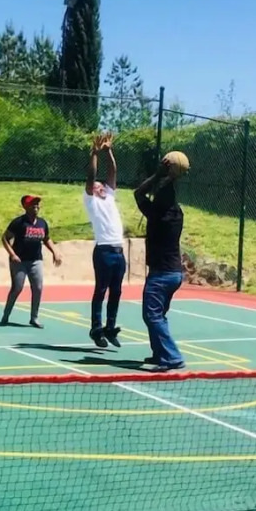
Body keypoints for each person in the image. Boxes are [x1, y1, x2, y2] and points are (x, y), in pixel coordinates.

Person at [133, 158, 185, 370]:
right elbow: (160, 193)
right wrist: (170, 177)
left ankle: (172, 357)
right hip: (174, 273)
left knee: (152, 315)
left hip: (161, 274)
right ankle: (160, 354)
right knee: (158, 315)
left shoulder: (157, 215)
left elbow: (138, 193)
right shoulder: (177, 213)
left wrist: (157, 174)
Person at [83, 132, 126, 348]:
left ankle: (110, 327)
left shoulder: (109, 196)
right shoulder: (91, 201)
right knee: (101, 290)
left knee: (116, 291)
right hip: (103, 251)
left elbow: (113, 171)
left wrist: (108, 151)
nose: (100, 186)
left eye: (102, 185)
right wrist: (94, 153)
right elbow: (92, 177)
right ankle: (96, 328)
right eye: (97, 185)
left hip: (119, 251)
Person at [0, 195, 62, 328]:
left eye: (37, 204)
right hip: (19, 261)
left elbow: (46, 239)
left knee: (38, 288)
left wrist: (55, 252)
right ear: (25, 206)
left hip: (36, 260)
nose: (36, 206)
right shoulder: (18, 222)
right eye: (33, 204)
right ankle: (6, 314)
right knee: (17, 288)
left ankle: (34, 318)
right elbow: (5, 238)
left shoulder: (42, 223)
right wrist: (12, 255)